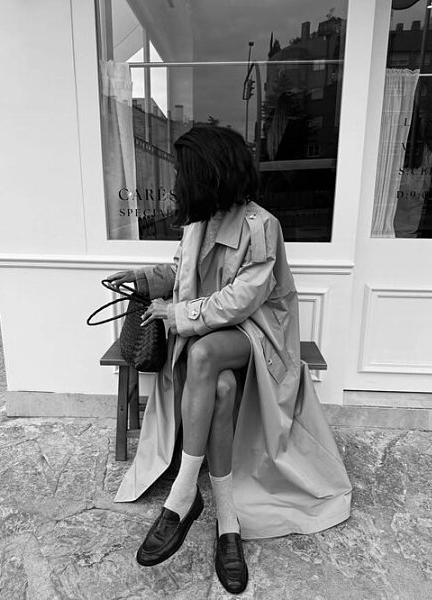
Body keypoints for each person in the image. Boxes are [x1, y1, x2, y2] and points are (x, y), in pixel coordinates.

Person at [107, 126, 352, 594]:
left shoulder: (262, 225)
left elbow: (243, 300)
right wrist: (143, 278)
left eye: (183, 171)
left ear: (209, 173)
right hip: (213, 333)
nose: (177, 180)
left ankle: (183, 494)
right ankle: (227, 521)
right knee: (220, 388)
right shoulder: (198, 221)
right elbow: (180, 270)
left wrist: (178, 315)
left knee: (203, 352)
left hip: (258, 336)